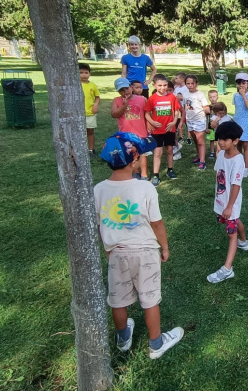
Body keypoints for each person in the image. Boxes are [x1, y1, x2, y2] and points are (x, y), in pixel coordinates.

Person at [94, 131, 184, 359]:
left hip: (116, 253)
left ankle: (123, 338)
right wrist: (164, 247)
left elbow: (99, 224)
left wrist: (107, 249)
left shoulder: (98, 190)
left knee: (118, 300)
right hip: (145, 252)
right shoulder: (145, 188)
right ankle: (156, 344)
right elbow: (157, 223)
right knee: (150, 299)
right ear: (134, 160)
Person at [207, 121, 248, 283]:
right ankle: (244, 242)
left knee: (230, 234)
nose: (220, 142)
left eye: (225, 139)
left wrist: (230, 206)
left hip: (230, 204)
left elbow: (236, 185)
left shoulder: (238, 160)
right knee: (233, 220)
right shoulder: (221, 155)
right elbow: (219, 175)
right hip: (222, 201)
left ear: (235, 141)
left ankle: (227, 269)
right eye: (219, 139)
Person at [144, 74, 181, 186]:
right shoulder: (152, 99)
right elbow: (146, 113)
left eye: (165, 85)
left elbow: (176, 111)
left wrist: (174, 122)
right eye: (159, 85)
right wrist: (151, 121)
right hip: (157, 131)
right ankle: (156, 175)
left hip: (169, 129)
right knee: (158, 152)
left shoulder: (172, 97)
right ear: (154, 85)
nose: (162, 88)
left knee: (169, 150)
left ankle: (170, 170)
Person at [111, 77, 150, 179]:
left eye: (126, 88)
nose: (125, 91)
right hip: (125, 133)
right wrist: (124, 105)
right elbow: (114, 114)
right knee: (131, 154)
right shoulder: (117, 100)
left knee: (142, 154)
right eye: (121, 90)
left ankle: (144, 174)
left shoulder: (142, 99)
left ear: (131, 87)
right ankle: (135, 172)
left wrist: (149, 125)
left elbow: (147, 114)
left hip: (141, 132)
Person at [181, 74, 211, 171]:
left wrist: (207, 110)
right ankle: (199, 156)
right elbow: (184, 108)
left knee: (201, 141)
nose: (190, 85)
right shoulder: (185, 94)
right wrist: (183, 120)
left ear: (196, 84)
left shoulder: (200, 94)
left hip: (199, 120)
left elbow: (205, 106)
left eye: (192, 83)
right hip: (190, 120)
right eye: (188, 83)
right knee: (195, 140)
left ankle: (202, 161)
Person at [232, 72, 248, 177]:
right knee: (238, 144)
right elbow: (237, 109)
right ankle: (239, 164)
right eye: (238, 83)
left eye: (243, 82)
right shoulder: (235, 95)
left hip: (247, 123)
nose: (241, 85)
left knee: (246, 145)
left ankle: (246, 168)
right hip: (238, 122)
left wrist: (243, 95)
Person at [79, 63, 100, 154]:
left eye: (86, 72)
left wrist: (95, 105)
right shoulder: (76, 85)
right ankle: (80, 150)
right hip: (78, 113)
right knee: (79, 132)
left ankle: (91, 149)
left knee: (90, 131)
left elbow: (97, 97)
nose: (84, 75)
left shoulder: (93, 85)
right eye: (81, 72)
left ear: (89, 74)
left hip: (90, 112)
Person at [172, 73, 189, 144]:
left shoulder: (186, 88)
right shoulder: (176, 88)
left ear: (182, 79)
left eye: (176, 78)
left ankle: (189, 137)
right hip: (178, 108)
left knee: (187, 123)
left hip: (185, 108)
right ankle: (181, 136)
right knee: (179, 123)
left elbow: (187, 97)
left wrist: (180, 98)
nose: (175, 79)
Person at [206, 90, 219, 159]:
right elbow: (206, 118)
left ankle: (218, 151)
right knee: (211, 139)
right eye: (210, 97)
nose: (212, 98)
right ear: (208, 98)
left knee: (218, 139)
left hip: (218, 126)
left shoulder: (220, 106)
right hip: (210, 126)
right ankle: (212, 152)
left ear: (217, 97)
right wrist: (206, 127)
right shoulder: (208, 107)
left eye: (214, 96)